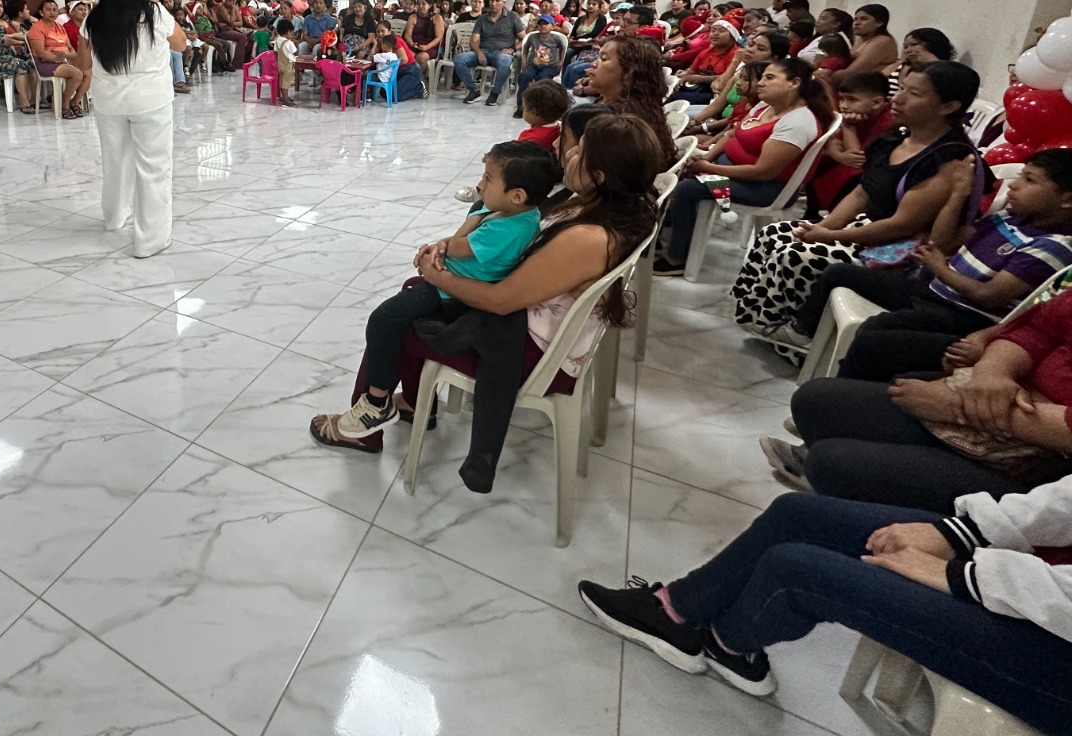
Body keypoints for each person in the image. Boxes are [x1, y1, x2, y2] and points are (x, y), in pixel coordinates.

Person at [310, 116, 659, 492]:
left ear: (600, 176)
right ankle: (412, 403)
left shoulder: (587, 237)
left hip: (531, 352)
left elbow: (499, 301)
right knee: (414, 293)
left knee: (395, 320)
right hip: (533, 328)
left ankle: (368, 422)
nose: (569, 153)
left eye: (581, 152)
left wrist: (438, 276)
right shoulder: (595, 208)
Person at [577, 482, 1072, 730]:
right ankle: (676, 610)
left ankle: (726, 642)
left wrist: (966, 576)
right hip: (1044, 574)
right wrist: (962, 532)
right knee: (797, 513)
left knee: (794, 570)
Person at [309, 141, 555, 449]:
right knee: (396, 310)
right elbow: (454, 244)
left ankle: (376, 403)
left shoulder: (506, 229)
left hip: (451, 293)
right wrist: (441, 245)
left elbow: (459, 244)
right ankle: (413, 403)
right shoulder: (522, 215)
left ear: (516, 195)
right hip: (452, 280)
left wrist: (449, 239)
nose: (480, 184)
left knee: (383, 320)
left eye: (488, 178)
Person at [731, 60, 980, 338]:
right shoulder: (897, 137)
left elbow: (901, 225)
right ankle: (753, 314)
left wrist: (831, 236)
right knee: (774, 234)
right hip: (869, 227)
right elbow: (862, 191)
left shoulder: (949, 160)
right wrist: (826, 227)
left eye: (914, 94)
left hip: (899, 250)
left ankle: (798, 333)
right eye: (901, 89)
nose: (897, 99)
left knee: (796, 254)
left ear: (948, 107)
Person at [767, 286, 1072, 512]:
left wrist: (958, 407)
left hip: (1048, 469)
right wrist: (992, 373)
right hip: (1008, 403)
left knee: (829, 462)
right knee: (816, 401)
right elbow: (1037, 328)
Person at [794, 149, 1072, 382]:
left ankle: (838, 399)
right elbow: (944, 243)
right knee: (839, 273)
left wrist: (940, 268)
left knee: (873, 334)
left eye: (1030, 180)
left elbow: (989, 296)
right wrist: (957, 195)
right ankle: (801, 335)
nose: (1014, 185)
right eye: (1021, 175)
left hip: (964, 315)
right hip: (933, 290)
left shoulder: (1054, 245)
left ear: (1067, 199)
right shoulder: (1009, 218)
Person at [655, 58, 831, 275]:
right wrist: (708, 157)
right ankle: (666, 231)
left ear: (793, 83)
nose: (760, 83)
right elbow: (732, 133)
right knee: (677, 165)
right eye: (762, 77)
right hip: (732, 170)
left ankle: (676, 258)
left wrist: (710, 168)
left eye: (770, 78)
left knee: (686, 189)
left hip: (763, 189)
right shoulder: (766, 105)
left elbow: (763, 172)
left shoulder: (797, 122)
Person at [86, 0, 186, 259]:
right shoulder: (154, 13)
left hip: (108, 101)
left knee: (115, 161)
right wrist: (153, 2)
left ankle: (114, 217)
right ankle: (149, 240)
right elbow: (181, 44)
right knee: (153, 168)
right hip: (150, 101)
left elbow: (84, 59)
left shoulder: (94, 17)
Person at [583, 37, 679, 170]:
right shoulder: (636, 103)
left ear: (627, 71)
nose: (594, 64)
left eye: (603, 59)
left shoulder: (619, 118)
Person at [808, 71, 895, 212]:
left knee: (851, 173)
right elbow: (832, 143)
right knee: (819, 158)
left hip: (873, 175)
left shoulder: (889, 121)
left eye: (852, 100)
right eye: (842, 99)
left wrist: (849, 126)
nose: (844, 105)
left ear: (877, 102)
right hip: (849, 164)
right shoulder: (855, 114)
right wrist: (839, 155)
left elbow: (857, 160)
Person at [455, 0, 521, 106]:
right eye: (491, 0)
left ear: (503, 3)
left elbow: (524, 38)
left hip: (501, 53)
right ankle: (474, 90)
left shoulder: (512, 17)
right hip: (483, 51)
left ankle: (495, 93)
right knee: (459, 59)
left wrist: (513, 49)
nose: (494, 3)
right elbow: (473, 41)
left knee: (505, 61)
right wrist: (479, 53)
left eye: (497, 1)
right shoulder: (482, 18)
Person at [28, 0, 90, 119]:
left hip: (65, 60)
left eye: (54, 9)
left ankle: (75, 102)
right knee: (76, 74)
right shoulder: (37, 28)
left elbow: (70, 48)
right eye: (48, 9)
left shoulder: (60, 27)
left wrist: (71, 57)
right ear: (41, 12)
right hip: (46, 63)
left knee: (88, 72)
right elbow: (41, 52)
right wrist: (59, 59)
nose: (52, 12)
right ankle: (64, 105)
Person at [668, 19, 740, 104]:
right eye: (713, 30)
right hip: (698, 88)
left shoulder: (736, 55)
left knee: (676, 97)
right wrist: (684, 74)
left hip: (717, 93)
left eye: (721, 31)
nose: (715, 33)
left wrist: (699, 78)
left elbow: (729, 78)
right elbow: (692, 70)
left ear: (733, 35)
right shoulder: (706, 52)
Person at [829, 4, 900, 84]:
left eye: (864, 19)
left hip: (868, 88)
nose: (856, 23)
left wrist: (821, 77)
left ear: (879, 23)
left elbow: (851, 73)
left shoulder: (882, 41)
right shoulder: (861, 40)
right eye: (855, 19)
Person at [513, 14, 567, 112]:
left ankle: (539, 107)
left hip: (549, 66)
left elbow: (562, 48)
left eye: (546, 24)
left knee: (543, 80)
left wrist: (560, 62)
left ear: (552, 26)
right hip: (533, 65)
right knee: (524, 77)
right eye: (540, 24)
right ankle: (521, 106)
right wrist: (524, 61)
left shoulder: (556, 38)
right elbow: (525, 48)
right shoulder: (532, 37)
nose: (543, 26)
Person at [517, 79, 568, 149]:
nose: (522, 109)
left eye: (524, 107)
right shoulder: (559, 127)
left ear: (533, 112)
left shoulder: (530, 139)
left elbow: (514, 153)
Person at [402, 0, 445, 68]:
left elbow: (438, 37)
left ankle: (420, 75)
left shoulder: (437, 17)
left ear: (430, 5)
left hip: (431, 46)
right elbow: (407, 36)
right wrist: (412, 44)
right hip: (414, 45)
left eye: (423, 4)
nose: (420, 6)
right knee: (406, 55)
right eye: (418, 4)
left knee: (421, 57)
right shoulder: (413, 17)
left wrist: (426, 47)